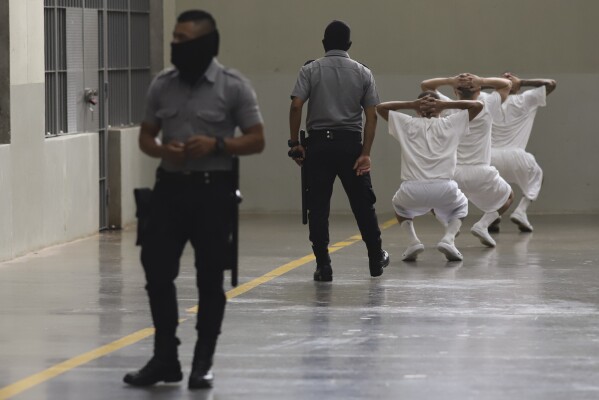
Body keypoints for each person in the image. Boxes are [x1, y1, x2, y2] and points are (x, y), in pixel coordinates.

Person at [123, 10, 265, 390]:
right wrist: (161, 150)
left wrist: (218, 144)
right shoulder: (162, 85)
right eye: (174, 37)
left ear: (204, 42)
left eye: (183, 39)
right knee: (156, 272)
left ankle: (203, 362)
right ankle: (165, 358)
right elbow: (145, 137)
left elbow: (257, 138)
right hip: (169, 189)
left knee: (209, 278)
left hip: (212, 191)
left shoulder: (233, 86)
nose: (175, 45)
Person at [288, 20, 389, 281]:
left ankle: (324, 265)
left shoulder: (310, 70)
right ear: (349, 45)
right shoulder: (363, 72)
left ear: (324, 44)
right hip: (351, 146)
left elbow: (296, 106)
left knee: (318, 207)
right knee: (363, 205)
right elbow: (372, 116)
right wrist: (365, 153)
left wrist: (295, 144)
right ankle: (375, 258)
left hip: (319, 147)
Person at [376, 92, 483, 261]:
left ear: (418, 109)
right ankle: (448, 240)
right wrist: (444, 105)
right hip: (444, 188)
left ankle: (413, 242)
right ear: (439, 108)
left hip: (412, 190)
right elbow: (478, 105)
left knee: (400, 206)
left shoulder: (407, 123)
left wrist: (412, 104)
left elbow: (381, 107)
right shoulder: (451, 123)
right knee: (461, 206)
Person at [421, 73, 514, 247]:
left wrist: (450, 80)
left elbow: (426, 85)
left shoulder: (448, 106)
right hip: (481, 172)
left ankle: (450, 228)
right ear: (478, 92)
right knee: (509, 196)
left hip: (452, 173)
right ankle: (483, 225)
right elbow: (506, 84)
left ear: (455, 92)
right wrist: (481, 81)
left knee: (433, 202)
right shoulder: (487, 105)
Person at [484, 72, 556, 232]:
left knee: (492, 186)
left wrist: (497, 83)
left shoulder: (487, 99)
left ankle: (492, 215)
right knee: (538, 175)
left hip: (490, 158)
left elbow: (468, 87)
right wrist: (520, 82)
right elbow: (551, 83)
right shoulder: (526, 99)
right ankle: (521, 211)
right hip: (517, 157)